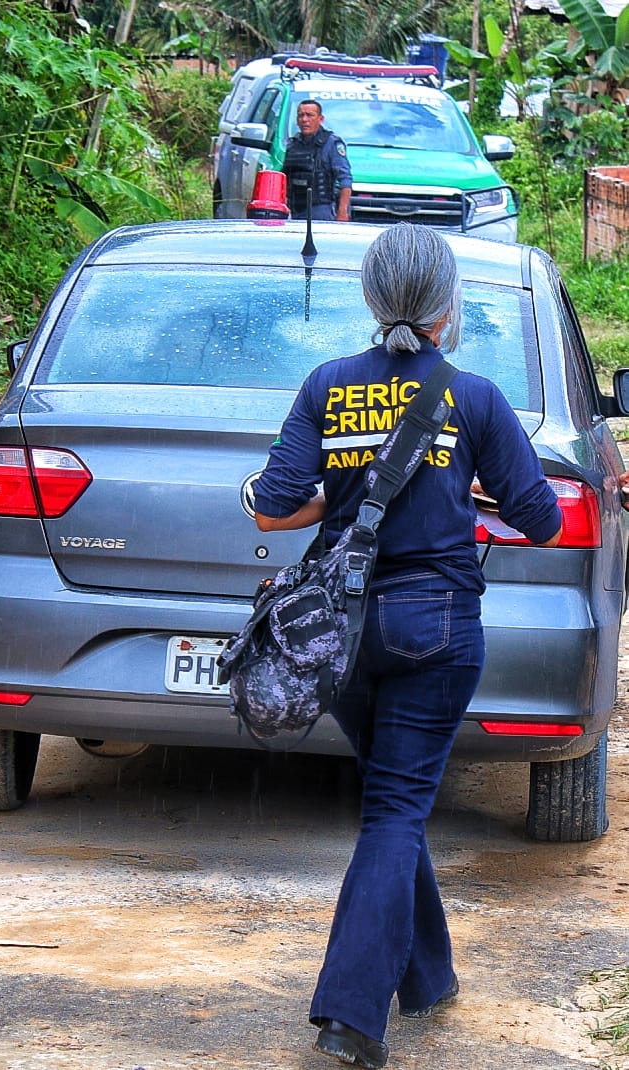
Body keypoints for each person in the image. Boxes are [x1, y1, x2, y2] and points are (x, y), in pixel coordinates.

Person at [250, 224, 562, 1069]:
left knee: (393, 802)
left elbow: (270, 508)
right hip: (435, 628)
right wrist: (469, 488)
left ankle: (427, 978)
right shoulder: (474, 398)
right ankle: (350, 1016)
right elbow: (543, 520)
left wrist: (339, 507)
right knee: (396, 811)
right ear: (446, 305)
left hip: (341, 638)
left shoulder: (326, 386)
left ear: (370, 298)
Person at [283, 99, 352, 221]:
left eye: (309, 115)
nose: (304, 120)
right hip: (294, 208)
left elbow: (345, 179)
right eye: (300, 115)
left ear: (320, 119)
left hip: (320, 210)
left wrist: (342, 211)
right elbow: (284, 177)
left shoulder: (331, 143)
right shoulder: (292, 144)